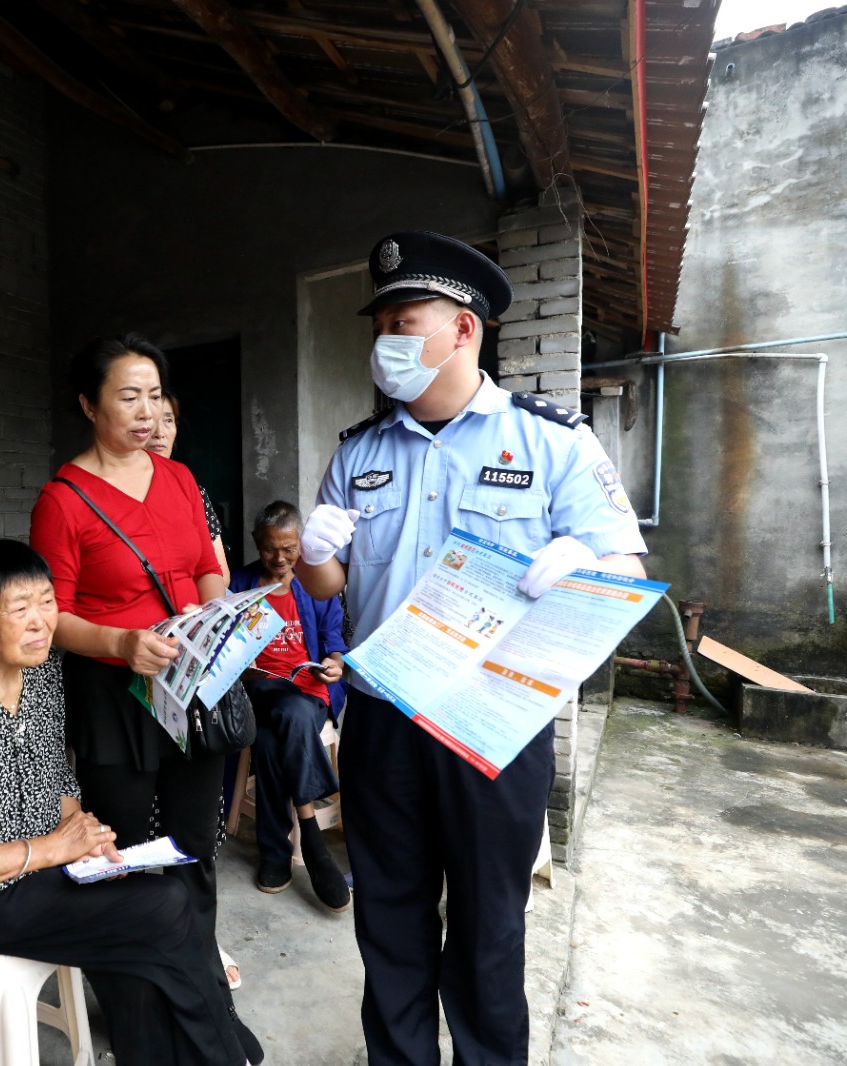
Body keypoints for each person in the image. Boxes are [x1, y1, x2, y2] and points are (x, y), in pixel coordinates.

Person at [296, 231, 647, 1065]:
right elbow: (325, 585)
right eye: (379, 321)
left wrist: (586, 564)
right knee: (390, 915)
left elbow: (626, 562)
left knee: (490, 925)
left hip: (492, 724)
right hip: (383, 720)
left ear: (463, 328)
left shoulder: (551, 440)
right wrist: (314, 553)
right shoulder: (359, 451)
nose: (386, 338)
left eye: (404, 318)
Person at [0, 540, 254, 1066]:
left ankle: (163, 1052)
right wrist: (51, 849)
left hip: (47, 868)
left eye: (47, 602)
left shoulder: (40, 671)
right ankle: (227, 1055)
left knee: (144, 910)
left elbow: (56, 773)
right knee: (166, 909)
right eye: (20, 609)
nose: (41, 622)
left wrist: (84, 833)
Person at [29, 335, 259, 1045]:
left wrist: (209, 613)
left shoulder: (180, 480)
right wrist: (122, 644)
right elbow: (52, 617)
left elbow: (206, 569)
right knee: (124, 857)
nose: (146, 411)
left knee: (194, 845)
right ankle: (138, 1019)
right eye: (128, 395)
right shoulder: (62, 500)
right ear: (88, 405)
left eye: (155, 395)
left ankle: (206, 1009)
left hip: (190, 689)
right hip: (111, 699)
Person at [228, 501, 350, 912]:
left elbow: (335, 643)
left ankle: (276, 853)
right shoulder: (239, 584)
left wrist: (333, 665)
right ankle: (312, 841)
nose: (279, 559)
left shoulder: (316, 584)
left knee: (270, 738)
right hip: (257, 691)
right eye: (268, 549)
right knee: (285, 711)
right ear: (255, 544)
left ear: (301, 544)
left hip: (309, 693)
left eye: (289, 549)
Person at [149, 392, 230, 584]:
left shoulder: (192, 491)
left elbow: (221, 574)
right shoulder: (118, 493)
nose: (160, 432)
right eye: (150, 421)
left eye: (168, 420)